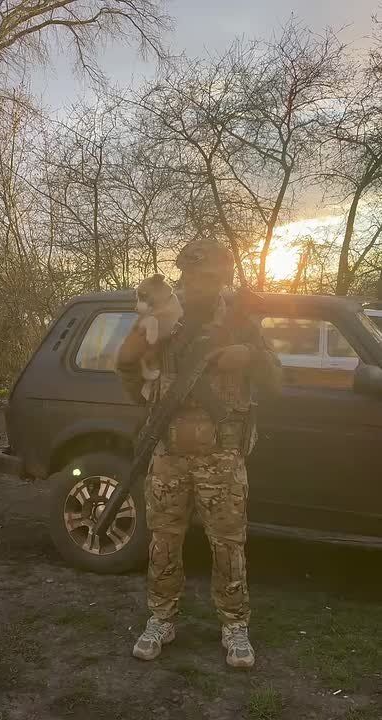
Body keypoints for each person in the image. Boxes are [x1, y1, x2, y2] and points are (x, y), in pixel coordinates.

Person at [117, 238, 282, 669]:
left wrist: (248, 356)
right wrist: (141, 385)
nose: (196, 284)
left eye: (206, 276)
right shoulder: (165, 319)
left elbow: (277, 379)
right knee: (163, 541)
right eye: (189, 276)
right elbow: (130, 371)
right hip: (168, 451)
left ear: (223, 276)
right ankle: (161, 619)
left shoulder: (241, 322)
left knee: (228, 545)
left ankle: (234, 625)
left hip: (221, 455)